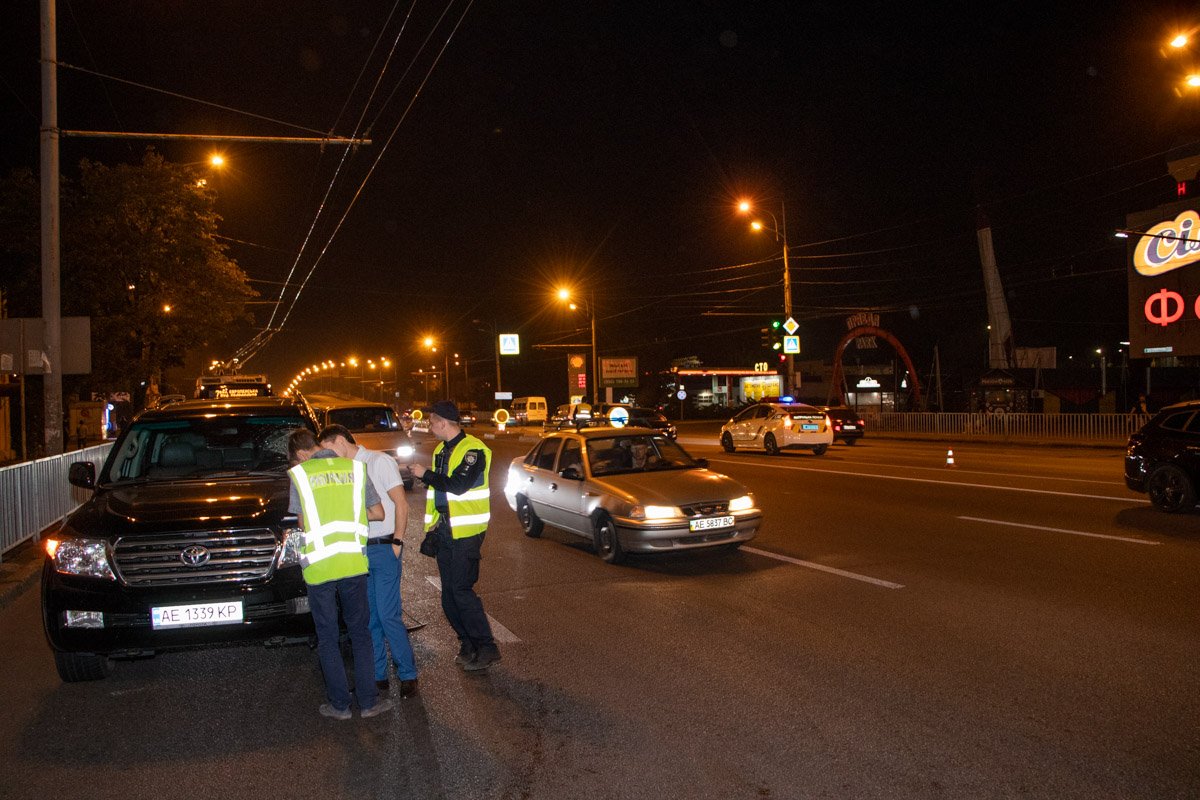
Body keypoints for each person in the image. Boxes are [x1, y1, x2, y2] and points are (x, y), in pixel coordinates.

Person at [287, 428, 393, 720]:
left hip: (320, 567)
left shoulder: (300, 476)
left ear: (300, 453)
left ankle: (340, 706)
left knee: (328, 637)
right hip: (352, 564)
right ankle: (369, 703)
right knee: (360, 634)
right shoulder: (357, 470)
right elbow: (379, 513)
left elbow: (304, 522)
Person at [318, 424, 420, 699]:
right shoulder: (343, 471)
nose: (328, 457)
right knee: (369, 617)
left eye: (328, 450)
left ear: (340, 441)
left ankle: (407, 674)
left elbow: (401, 503)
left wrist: (397, 541)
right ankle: (377, 676)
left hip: (385, 546)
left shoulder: (379, 461)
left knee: (388, 615)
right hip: (359, 550)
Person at [409, 399, 500, 672]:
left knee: (461, 590)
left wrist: (426, 474)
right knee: (448, 594)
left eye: (432, 421)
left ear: (443, 423)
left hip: (467, 530)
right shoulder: (441, 449)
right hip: (446, 529)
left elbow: (459, 486)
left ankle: (487, 647)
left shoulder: (473, 450)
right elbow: (441, 488)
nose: (429, 426)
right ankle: (467, 642)